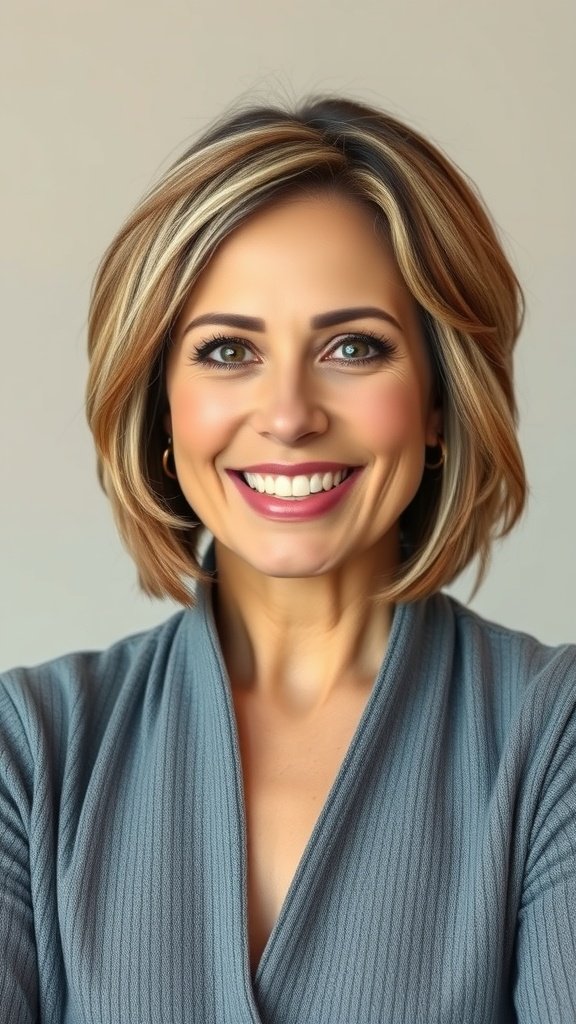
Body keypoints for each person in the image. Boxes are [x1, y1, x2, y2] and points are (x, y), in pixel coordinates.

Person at [1, 95, 575, 1024]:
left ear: (438, 400)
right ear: (163, 406)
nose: (289, 414)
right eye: (228, 350)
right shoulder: (29, 754)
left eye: (354, 347)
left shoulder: (553, 743)